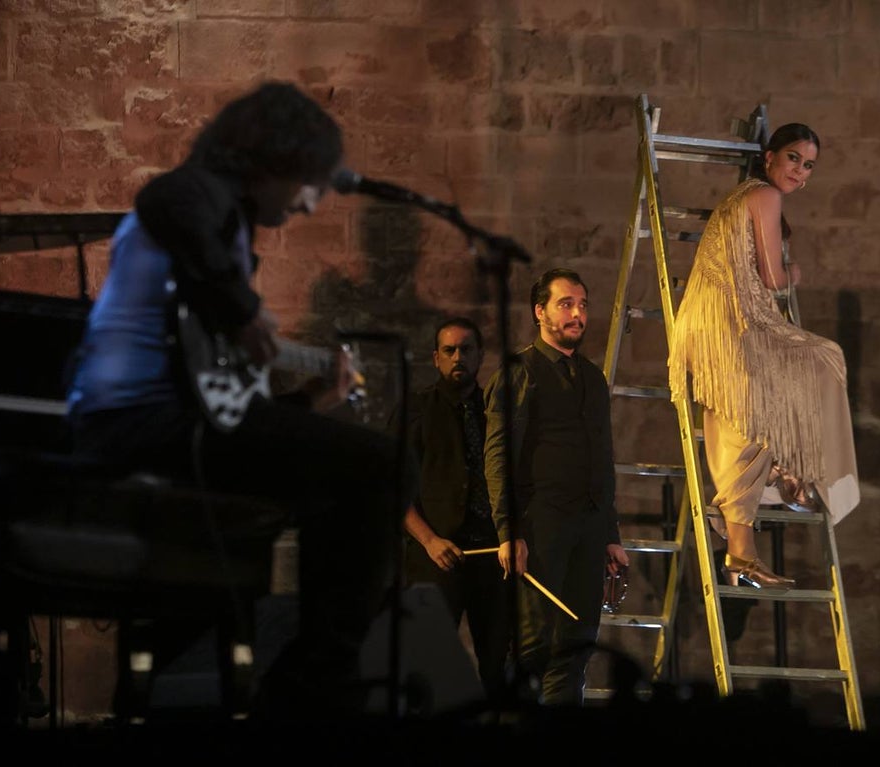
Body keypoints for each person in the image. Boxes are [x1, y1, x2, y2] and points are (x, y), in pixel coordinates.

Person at [64, 80, 414, 719]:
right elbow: (159, 195)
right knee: (383, 465)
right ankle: (313, 688)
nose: (310, 203)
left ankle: (265, 681)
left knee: (332, 483)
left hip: (168, 425)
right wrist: (240, 304)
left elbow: (225, 405)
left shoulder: (223, 223)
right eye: (308, 182)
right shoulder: (202, 193)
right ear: (270, 162)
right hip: (140, 426)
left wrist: (308, 405)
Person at [667, 122, 860, 590]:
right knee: (823, 357)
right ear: (769, 156)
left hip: (709, 323)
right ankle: (799, 473)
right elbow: (773, 280)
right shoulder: (765, 197)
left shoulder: (742, 198)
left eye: (809, 164)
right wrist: (794, 272)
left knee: (747, 422)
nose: (800, 170)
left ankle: (741, 550)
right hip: (731, 323)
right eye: (794, 157)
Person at [483, 267, 630, 705]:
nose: (577, 314)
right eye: (565, 304)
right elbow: (499, 456)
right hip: (539, 525)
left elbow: (601, 461)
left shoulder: (592, 378)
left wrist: (611, 535)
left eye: (582, 305)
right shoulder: (520, 372)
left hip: (586, 528)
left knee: (577, 644)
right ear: (540, 312)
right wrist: (509, 530)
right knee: (533, 647)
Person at [389, 317, 511, 707]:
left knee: (499, 664)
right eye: (450, 350)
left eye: (467, 349)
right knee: (428, 665)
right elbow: (391, 487)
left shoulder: (496, 411)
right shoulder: (415, 410)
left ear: (480, 356)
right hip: (434, 555)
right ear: (436, 358)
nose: (458, 357)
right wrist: (427, 539)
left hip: (492, 555)